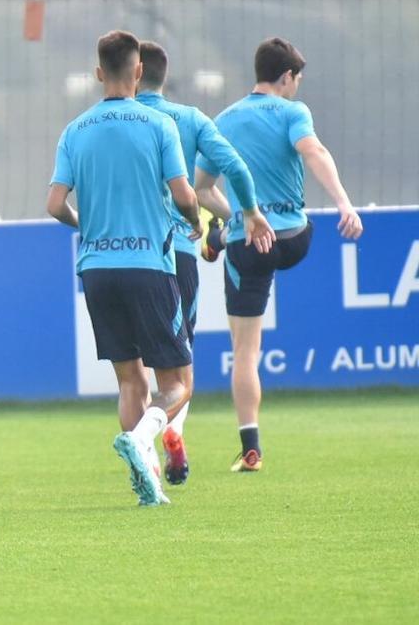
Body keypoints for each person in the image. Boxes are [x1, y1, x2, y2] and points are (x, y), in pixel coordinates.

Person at [46, 31, 207, 506]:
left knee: (128, 380)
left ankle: (149, 483)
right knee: (175, 383)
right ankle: (143, 440)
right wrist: (195, 218)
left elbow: (55, 204)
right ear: (139, 72)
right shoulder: (159, 125)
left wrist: (86, 225)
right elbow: (182, 194)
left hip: (97, 268)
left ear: (99, 73)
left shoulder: (75, 130)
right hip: (148, 267)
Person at [195, 37, 363, 472]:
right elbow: (314, 152)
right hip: (292, 240)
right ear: (286, 77)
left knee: (245, 350)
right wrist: (344, 202)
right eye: (297, 81)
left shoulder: (224, 120)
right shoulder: (293, 113)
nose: (297, 89)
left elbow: (201, 188)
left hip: (248, 245)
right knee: (293, 223)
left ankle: (251, 449)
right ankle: (226, 233)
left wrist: (242, 217)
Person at [135, 41, 274, 485]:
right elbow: (235, 167)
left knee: (136, 364)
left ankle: (146, 447)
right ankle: (172, 429)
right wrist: (248, 212)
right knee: (180, 360)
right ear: (163, 73)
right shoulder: (192, 119)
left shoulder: (116, 120)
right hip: (178, 250)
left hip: (130, 253)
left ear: (133, 74)